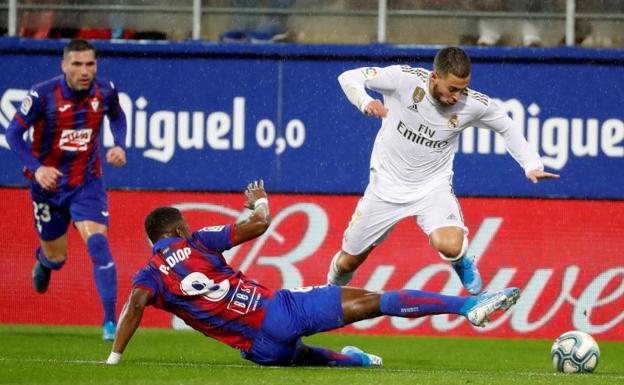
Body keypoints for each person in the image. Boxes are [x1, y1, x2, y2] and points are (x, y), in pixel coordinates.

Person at [105, 180, 521, 367]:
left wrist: (114, 357)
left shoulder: (149, 276)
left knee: (304, 357)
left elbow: (134, 306)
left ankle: (355, 362)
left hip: (258, 351)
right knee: (376, 302)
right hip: (276, 312)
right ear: (178, 229)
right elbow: (258, 225)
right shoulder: (195, 240)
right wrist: (260, 201)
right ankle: (469, 305)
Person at [327, 47, 559, 293]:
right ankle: (324, 295)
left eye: (463, 89)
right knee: (346, 263)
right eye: (453, 89)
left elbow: (506, 126)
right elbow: (348, 77)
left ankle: (460, 261)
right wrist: (364, 101)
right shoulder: (403, 80)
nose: (457, 97)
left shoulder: (473, 104)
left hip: (431, 190)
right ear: (435, 77)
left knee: (451, 246)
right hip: (385, 189)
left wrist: (531, 164)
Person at [6, 39, 127, 341]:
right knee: (57, 257)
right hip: (48, 186)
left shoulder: (106, 90)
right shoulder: (42, 95)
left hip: (87, 182)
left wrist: (119, 143)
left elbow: (118, 116)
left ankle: (111, 324)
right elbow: (13, 133)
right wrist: (37, 168)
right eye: (77, 64)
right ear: (64, 65)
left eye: (90, 64)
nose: (84, 71)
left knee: (98, 244)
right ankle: (45, 262)